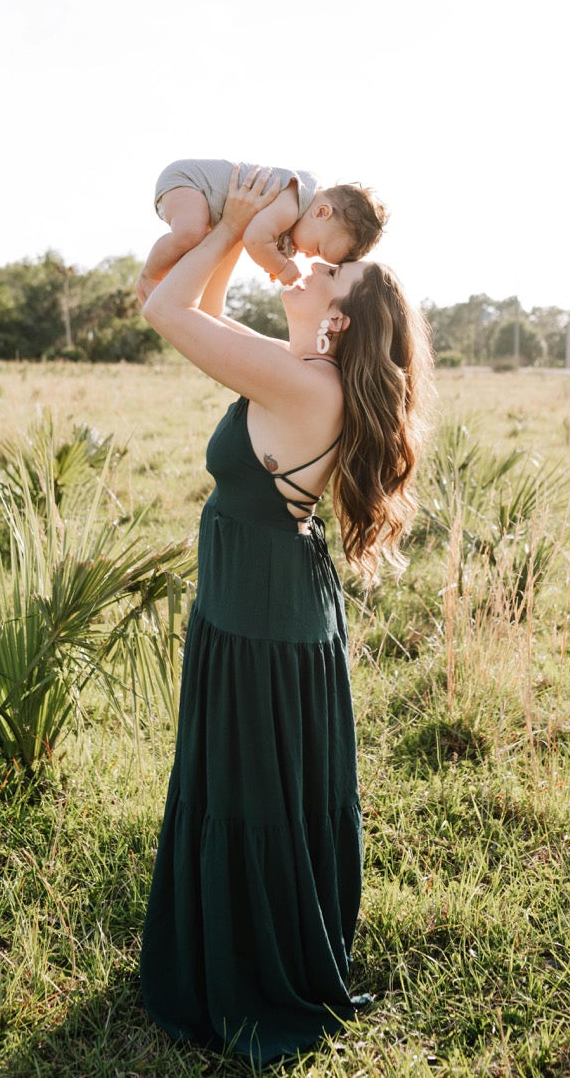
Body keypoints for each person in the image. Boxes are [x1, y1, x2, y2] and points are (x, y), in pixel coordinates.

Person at [138, 167, 433, 1065]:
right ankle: (255, 948)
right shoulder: (297, 368)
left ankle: (251, 975)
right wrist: (228, 239)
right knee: (261, 789)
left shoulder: (305, 385)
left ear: (339, 317)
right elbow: (199, 308)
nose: (309, 258)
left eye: (330, 272)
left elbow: (164, 309)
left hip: (260, 618)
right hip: (270, 606)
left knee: (249, 794)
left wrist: (228, 223)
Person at [145, 157, 387, 287]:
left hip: (204, 201)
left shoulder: (293, 218)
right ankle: (149, 275)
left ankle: (167, 281)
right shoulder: (294, 199)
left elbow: (259, 238)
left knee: (198, 243)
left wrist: (273, 258)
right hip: (190, 181)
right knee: (190, 233)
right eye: (318, 249)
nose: (310, 256)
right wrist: (280, 267)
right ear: (321, 212)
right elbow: (255, 238)